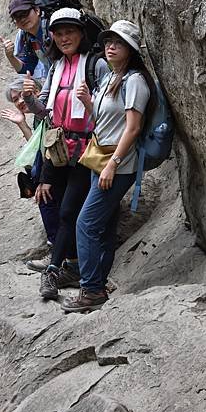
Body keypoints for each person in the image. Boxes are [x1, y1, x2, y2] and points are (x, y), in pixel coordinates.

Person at [61, 20, 156, 313]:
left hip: (116, 164)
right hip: (99, 158)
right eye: (108, 41)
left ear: (131, 50)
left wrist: (113, 165)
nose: (110, 46)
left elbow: (133, 128)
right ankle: (97, 284)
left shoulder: (135, 81)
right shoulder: (111, 78)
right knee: (102, 225)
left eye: (119, 43)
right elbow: (105, 122)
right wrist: (90, 104)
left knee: (86, 223)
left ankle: (90, 291)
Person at [22, 7, 110, 300]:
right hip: (60, 148)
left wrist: (87, 103)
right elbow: (45, 110)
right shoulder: (58, 66)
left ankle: (54, 271)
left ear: (81, 33)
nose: (63, 38)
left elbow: (111, 112)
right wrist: (29, 99)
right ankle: (71, 266)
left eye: (69, 32)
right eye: (58, 34)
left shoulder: (95, 65)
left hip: (88, 151)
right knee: (58, 205)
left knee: (71, 210)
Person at [2, 76, 61, 260]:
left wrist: (46, 179)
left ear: (34, 90)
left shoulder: (47, 111)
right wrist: (22, 124)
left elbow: (49, 149)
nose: (20, 101)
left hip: (60, 169)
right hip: (51, 168)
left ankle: (62, 254)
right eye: (15, 100)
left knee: (47, 198)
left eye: (22, 95)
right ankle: (59, 252)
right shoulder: (37, 118)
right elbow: (37, 148)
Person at [0, 0, 51, 80]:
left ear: (37, 10)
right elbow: (26, 69)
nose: (23, 19)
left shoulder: (50, 28)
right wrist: (10, 56)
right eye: (17, 17)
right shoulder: (27, 37)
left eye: (25, 13)